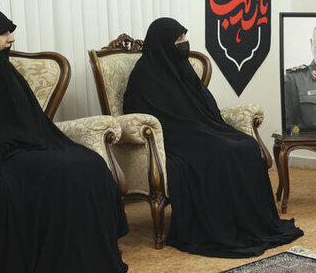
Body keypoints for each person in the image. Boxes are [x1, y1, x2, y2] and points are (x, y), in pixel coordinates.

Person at [0, 7, 130, 273]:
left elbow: (32, 120)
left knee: (90, 163)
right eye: (3, 33)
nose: (11, 39)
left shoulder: (5, 71)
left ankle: (89, 258)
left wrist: (32, 141)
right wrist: (8, 143)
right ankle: (60, 264)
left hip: (27, 146)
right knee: (61, 170)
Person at [123, 17, 303, 258]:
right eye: (178, 39)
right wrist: (193, 128)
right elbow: (141, 114)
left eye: (184, 37)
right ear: (163, 43)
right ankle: (225, 226)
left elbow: (205, 104)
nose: (184, 43)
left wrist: (208, 125)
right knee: (222, 151)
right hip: (176, 137)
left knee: (247, 145)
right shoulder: (144, 76)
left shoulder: (183, 67)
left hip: (202, 129)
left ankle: (249, 221)